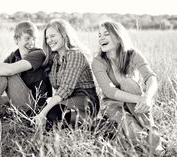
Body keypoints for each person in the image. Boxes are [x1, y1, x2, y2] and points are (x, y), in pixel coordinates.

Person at [91, 20, 165, 154]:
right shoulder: (98, 61)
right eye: (99, 35)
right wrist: (140, 99)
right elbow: (109, 91)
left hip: (135, 99)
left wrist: (147, 97)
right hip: (112, 103)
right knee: (132, 130)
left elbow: (150, 77)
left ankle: (156, 146)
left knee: (128, 82)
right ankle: (145, 143)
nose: (101, 37)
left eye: (106, 34)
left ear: (119, 38)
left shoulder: (132, 54)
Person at [33, 19, 100, 129]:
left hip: (85, 99)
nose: (49, 40)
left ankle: (90, 125)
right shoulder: (54, 58)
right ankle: (72, 125)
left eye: (52, 36)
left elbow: (65, 88)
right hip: (66, 100)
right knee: (45, 116)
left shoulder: (76, 55)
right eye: (47, 38)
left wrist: (42, 113)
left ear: (64, 35)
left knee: (51, 115)